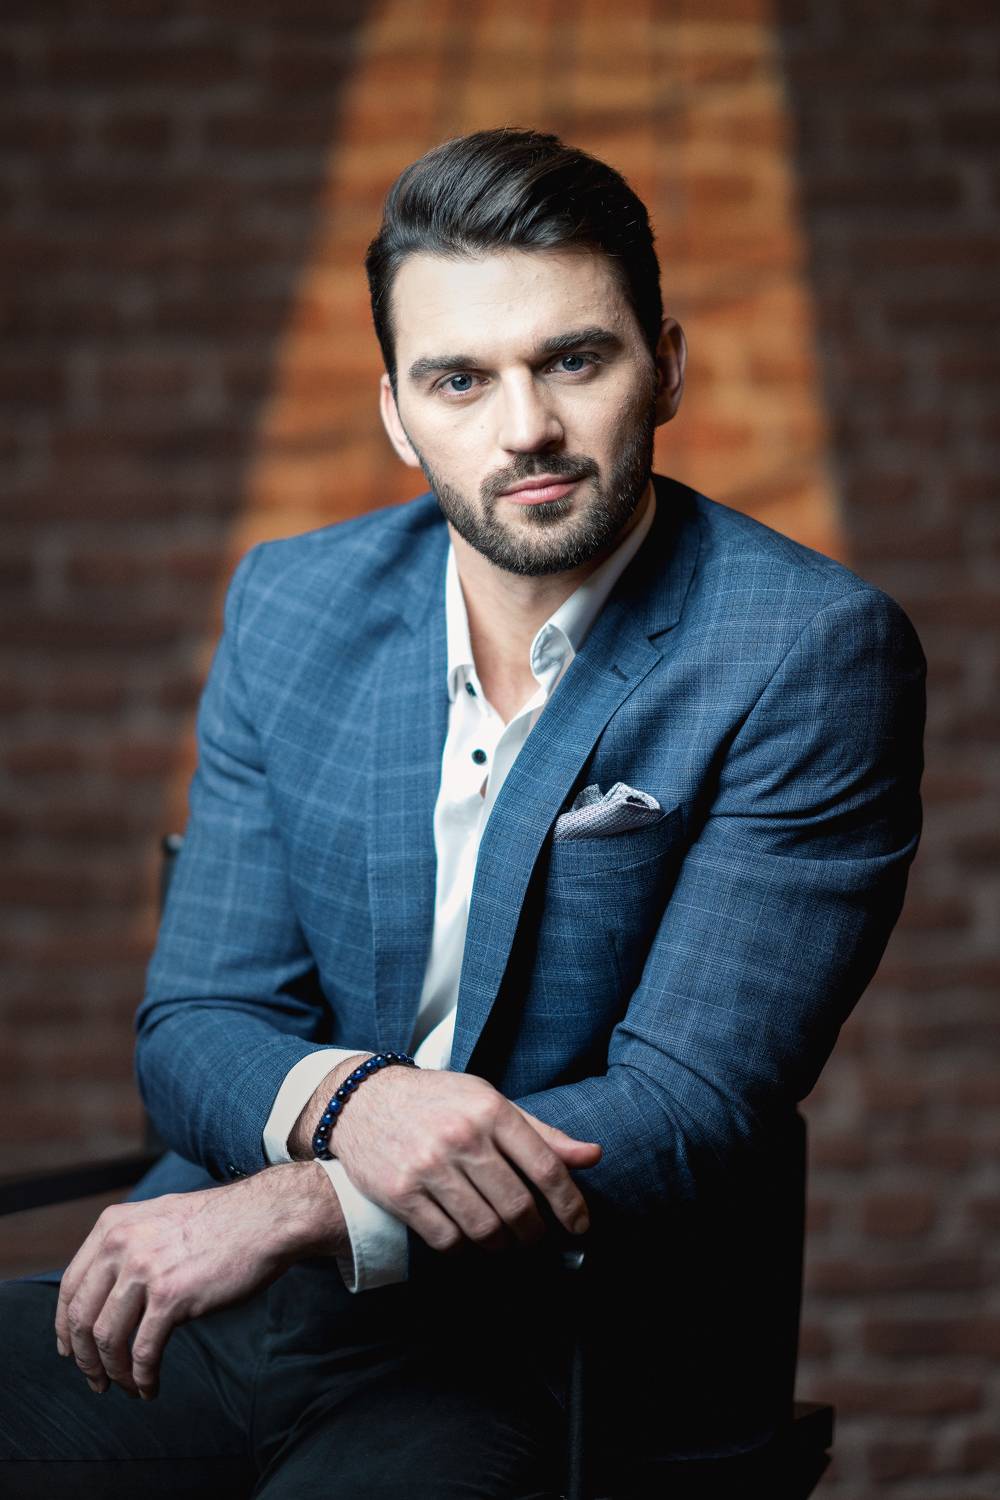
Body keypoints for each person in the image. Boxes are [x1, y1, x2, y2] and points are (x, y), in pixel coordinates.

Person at [0, 127, 925, 1498]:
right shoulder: (293, 604)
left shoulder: (806, 650)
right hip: (223, 1295)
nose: (526, 428)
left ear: (666, 367)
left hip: (550, 1347)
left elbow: (686, 1107)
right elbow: (195, 1025)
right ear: (396, 413)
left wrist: (316, 1194)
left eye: (575, 360)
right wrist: (358, 1103)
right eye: (460, 379)